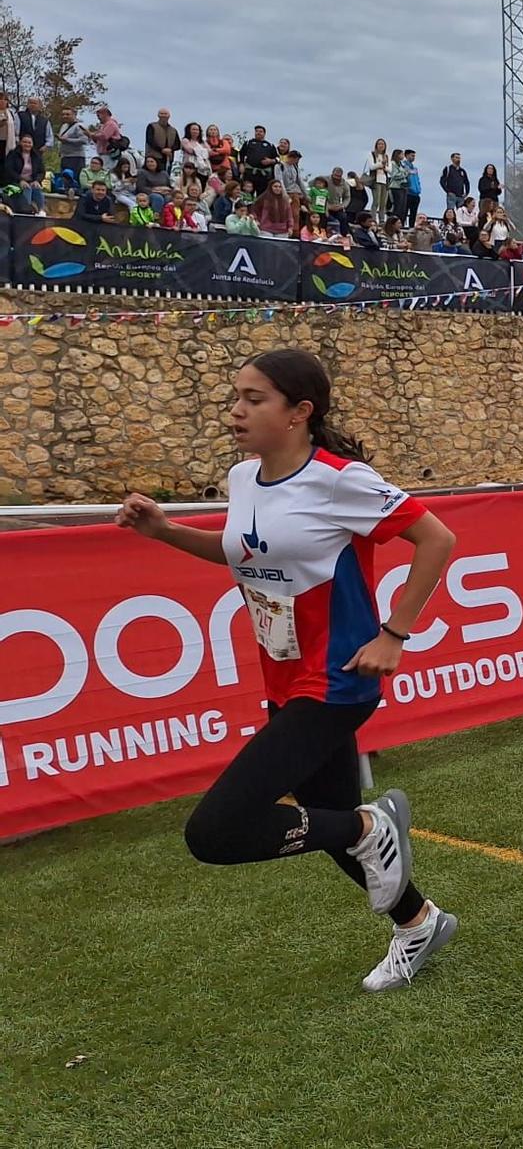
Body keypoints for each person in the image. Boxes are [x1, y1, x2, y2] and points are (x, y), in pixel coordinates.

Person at [115, 349, 460, 993]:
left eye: (255, 399)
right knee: (324, 819)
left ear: (300, 412)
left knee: (215, 832)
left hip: (338, 678)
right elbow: (238, 553)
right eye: (236, 396)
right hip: (284, 675)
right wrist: (163, 531)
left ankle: (371, 824)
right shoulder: (244, 478)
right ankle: (418, 921)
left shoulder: (340, 479)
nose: (236, 410)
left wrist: (395, 633)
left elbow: (436, 539)